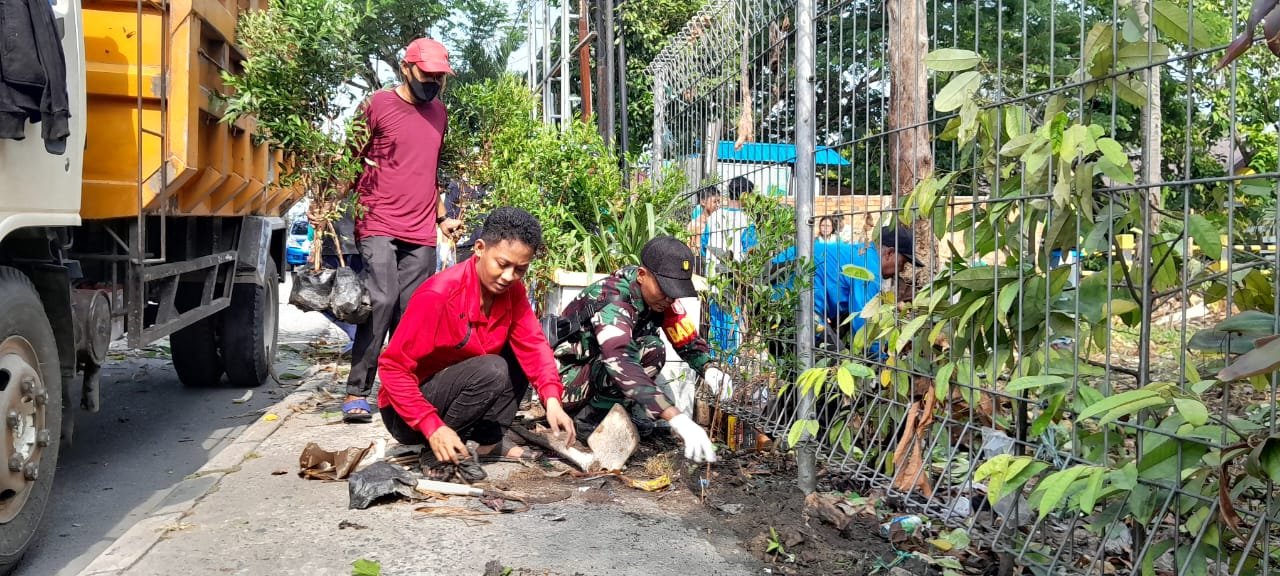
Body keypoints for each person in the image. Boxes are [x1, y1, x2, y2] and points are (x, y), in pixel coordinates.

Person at [377, 208, 576, 481]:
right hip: (406, 416)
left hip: (460, 396)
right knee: (493, 368)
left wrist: (552, 399)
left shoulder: (513, 291)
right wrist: (432, 426)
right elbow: (392, 369)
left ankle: (487, 442)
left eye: (520, 269)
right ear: (480, 248)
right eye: (502, 264)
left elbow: (533, 344)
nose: (509, 276)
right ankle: (436, 449)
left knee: (516, 355)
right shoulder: (438, 295)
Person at [341, 38, 465, 423]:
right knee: (382, 299)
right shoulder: (376, 105)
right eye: (427, 74)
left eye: (439, 76)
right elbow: (348, 161)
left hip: (421, 228)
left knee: (413, 312)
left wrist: (443, 217)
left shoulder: (439, 114)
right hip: (377, 220)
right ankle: (357, 389)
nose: (432, 82)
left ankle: (399, 391)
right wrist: (326, 206)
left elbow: (428, 171)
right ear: (405, 68)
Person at [553, 236, 729, 463]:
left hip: (593, 372)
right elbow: (621, 363)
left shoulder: (659, 300)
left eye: (675, 290)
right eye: (665, 288)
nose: (669, 297)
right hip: (565, 382)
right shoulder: (614, 299)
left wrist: (709, 368)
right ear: (642, 275)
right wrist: (674, 415)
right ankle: (591, 420)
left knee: (653, 348)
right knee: (631, 358)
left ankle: (612, 414)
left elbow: (685, 338)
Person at [771, 225, 921, 350]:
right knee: (835, 370)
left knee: (794, 372)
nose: (901, 270)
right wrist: (883, 357)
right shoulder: (868, 270)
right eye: (902, 263)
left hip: (769, 298)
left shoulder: (857, 252)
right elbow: (864, 326)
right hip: (791, 306)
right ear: (889, 253)